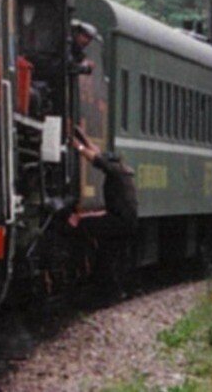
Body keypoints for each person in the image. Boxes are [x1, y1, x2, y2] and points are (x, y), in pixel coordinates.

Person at [70, 123, 138, 298]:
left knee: (81, 227)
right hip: (125, 223)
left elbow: (96, 159)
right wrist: (83, 136)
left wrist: (77, 146)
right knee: (107, 256)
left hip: (118, 223)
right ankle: (112, 291)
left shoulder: (114, 171)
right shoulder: (124, 172)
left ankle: (81, 267)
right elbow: (98, 153)